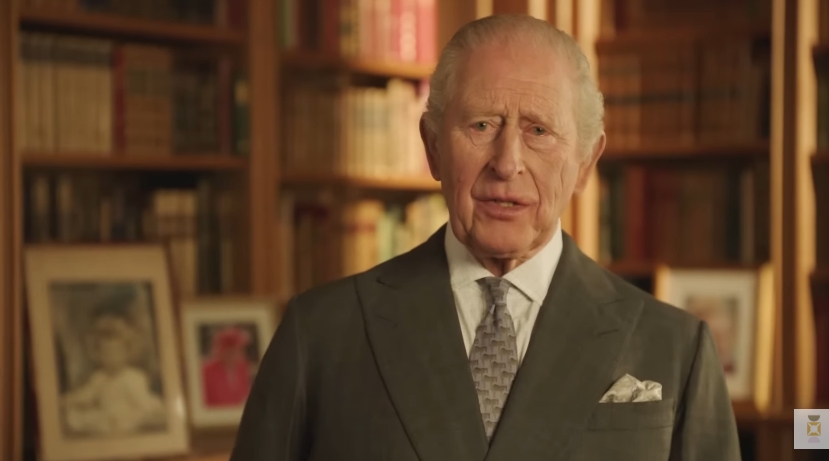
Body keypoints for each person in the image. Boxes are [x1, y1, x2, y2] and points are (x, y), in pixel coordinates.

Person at [230, 14, 740, 461]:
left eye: (538, 131)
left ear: (586, 162)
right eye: (481, 125)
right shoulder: (319, 334)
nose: (507, 163)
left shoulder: (677, 348)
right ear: (433, 147)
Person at [63, 298, 166, 435]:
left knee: (140, 416)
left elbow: (143, 400)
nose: (111, 358)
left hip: (129, 414)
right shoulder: (99, 377)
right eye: (106, 353)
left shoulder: (134, 376)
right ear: (98, 355)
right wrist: (70, 400)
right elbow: (86, 395)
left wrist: (152, 410)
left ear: (127, 352)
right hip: (106, 416)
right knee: (86, 418)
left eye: (117, 353)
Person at [201, 325, 254, 407]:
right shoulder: (206, 370)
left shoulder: (243, 367)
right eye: (235, 349)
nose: (241, 353)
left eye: (241, 349)